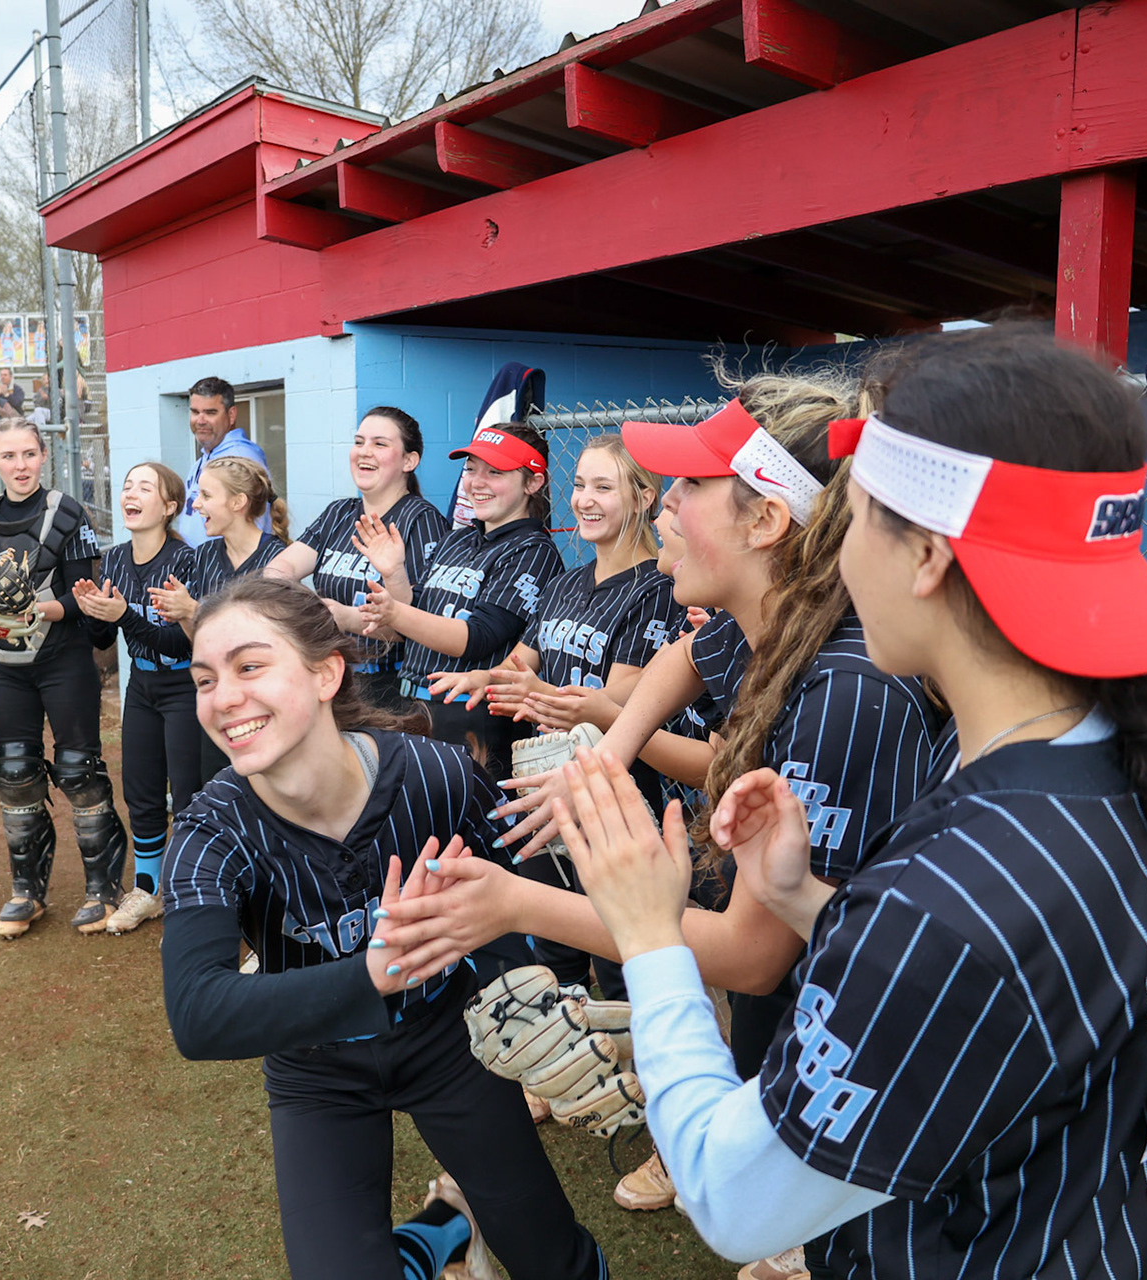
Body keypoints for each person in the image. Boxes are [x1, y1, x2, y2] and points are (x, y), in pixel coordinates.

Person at [555, 326, 1147, 1280]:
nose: (839, 560)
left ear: (925, 554)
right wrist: (810, 901)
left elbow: (734, 1196)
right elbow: (983, 1001)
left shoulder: (962, 877)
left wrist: (647, 935)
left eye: (860, 522)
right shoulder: (1101, 772)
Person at [376, 377, 950, 1260]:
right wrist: (605, 755)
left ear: (765, 525)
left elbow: (757, 957)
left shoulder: (846, 689)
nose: (667, 506)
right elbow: (685, 656)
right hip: (830, 986)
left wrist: (516, 906)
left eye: (689, 487)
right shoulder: (768, 618)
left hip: (886, 1039)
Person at [160, 575, 607, 1280]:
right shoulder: (213, 828)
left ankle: (474, 1220)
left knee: (551, 1259)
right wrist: (374, 972)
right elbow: (197, 1014)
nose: (223, 698)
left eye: (250, 666)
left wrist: (536, 991)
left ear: (326, 673)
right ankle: (442, 1231)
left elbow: (523, 899)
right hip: (315, 1069)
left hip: (451, 1042)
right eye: (206, 678)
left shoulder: (439, 777)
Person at [423, 434, 683, 1004]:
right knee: (556, 945)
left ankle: (637, 1082)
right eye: (580, 485)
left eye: (604, 487)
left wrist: (536, 693)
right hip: (550, 788)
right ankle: (570, 1078)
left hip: (615, 789)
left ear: (643, 498)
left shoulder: (659, 590)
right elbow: (524, 660)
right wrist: (484, 678)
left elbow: (622, 701)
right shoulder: (567, 581)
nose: (585, 500)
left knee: (618, 954)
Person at [0, 418, 126, 938]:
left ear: (44, 456)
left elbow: (83, 598)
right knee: (15, 771)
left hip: (63, 662)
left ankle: (101, 889)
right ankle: (27, 891)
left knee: (77, 770)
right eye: (9, 456)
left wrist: (37, 610)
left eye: (28, 455)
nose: (20, 466)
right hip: (5, 669)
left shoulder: (66, 514)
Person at [358, 421, 564, 783]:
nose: (476, 482)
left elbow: (476, 638)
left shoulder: (532, 550)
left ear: (533, 482)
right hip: (410, 704)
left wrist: (395, 611)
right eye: (470, 469)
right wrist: (394, 575)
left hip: (470, 718)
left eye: (495, 472)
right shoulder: (458, 540)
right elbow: (417, 613)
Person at [74, 462, 202, 937]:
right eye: (127, 485)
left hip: (185, 686)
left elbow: (183, 644)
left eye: (144, 487)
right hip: (142, 687)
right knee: (143, 791)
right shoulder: (113, 558)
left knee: (189, 794)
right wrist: (94, 612)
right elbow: (105, 636)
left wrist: (124, 614)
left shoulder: (185, 560)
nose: (131, 492)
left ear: (169, 507)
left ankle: (189, 891)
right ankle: (148, 891)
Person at [265, 406, 447, 710]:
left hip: (386, 686)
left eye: (380, 444)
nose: (364, 452)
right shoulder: (339, 513)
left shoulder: (421, 520)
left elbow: (416, 625)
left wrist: (347, 617)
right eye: (359, 441)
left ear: (409, 460)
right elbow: (280, 567)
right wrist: (305, 604)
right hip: (330, 676)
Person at [150, 456, 290, 784]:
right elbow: (198, 641)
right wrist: (182, 613)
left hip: (261, 703)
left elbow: (268, 636)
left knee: (263, 787)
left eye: (206, 496)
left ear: (238, 502)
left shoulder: (278, 559)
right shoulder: (204, 555)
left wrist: (193, 609)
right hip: (218, 699)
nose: (196, 505)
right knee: (218, 785)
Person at [177, 376, 269, 544]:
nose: (200, 420)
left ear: (231, 414)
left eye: (210, 412)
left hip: (228, 569)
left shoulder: (240, 458)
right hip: (200, 566)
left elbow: (248, 533)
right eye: (195, 412)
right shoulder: (205, 457)